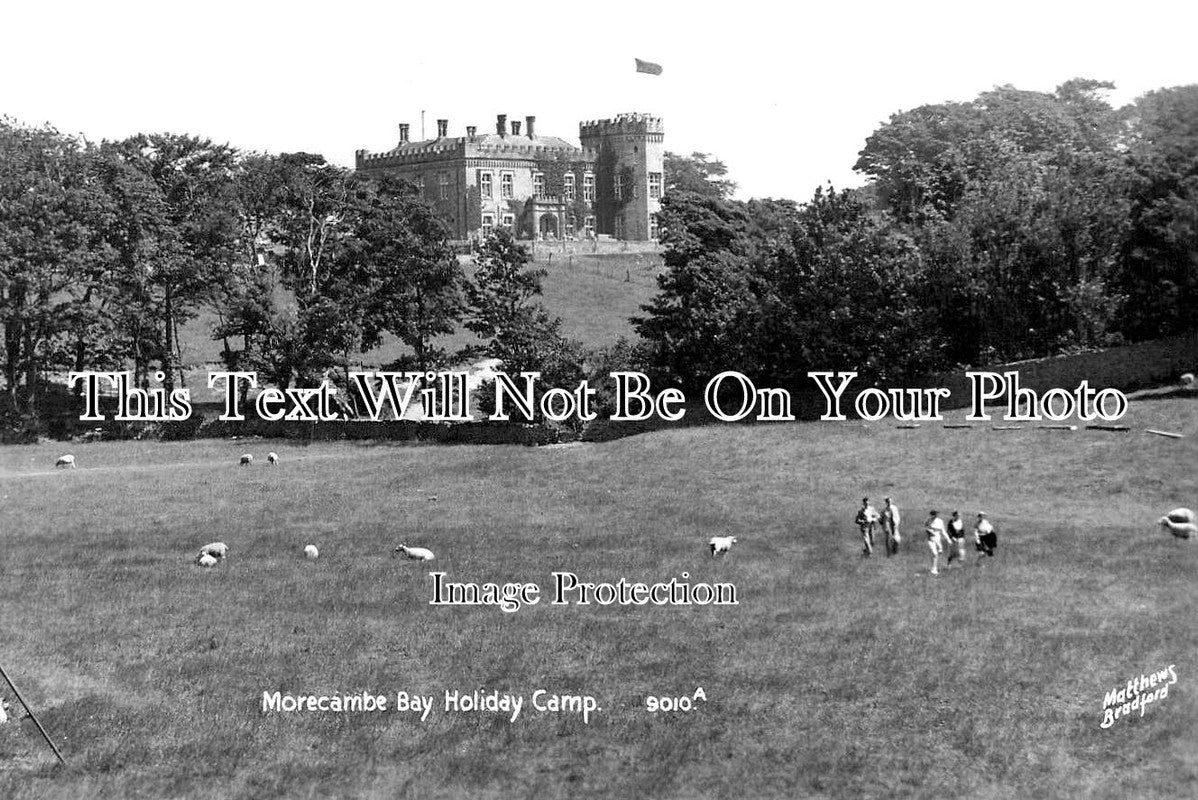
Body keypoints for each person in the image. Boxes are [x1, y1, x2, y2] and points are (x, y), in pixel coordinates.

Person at [924, 510, 946, 575]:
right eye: (934, 515)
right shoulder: (928, 520)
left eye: (936, 514)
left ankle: (935, 567)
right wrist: (930, 531)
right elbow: (926, 527)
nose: (935, 516)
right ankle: (934, 569)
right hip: (931, 539)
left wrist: (947, 539)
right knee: (935, 553)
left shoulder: (940, 521)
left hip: (937, 539)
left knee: (938, 553)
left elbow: (942, 530)